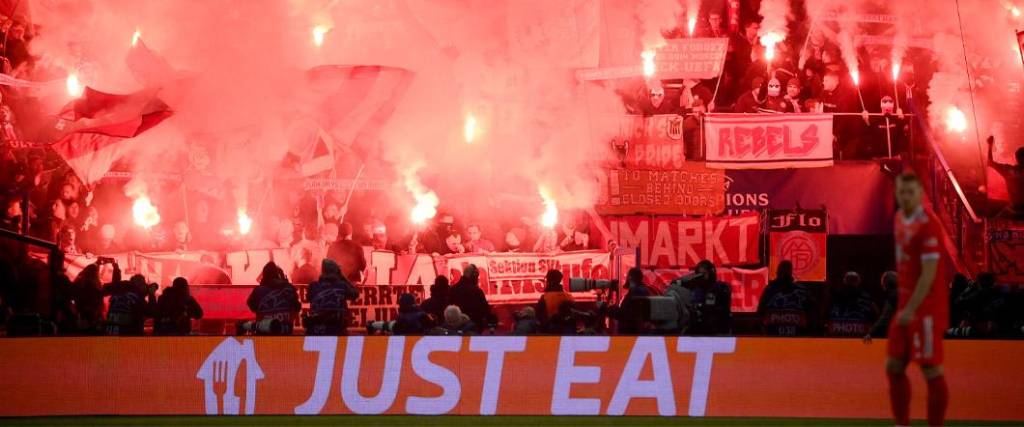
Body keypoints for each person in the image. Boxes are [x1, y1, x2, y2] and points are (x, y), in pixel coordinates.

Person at [881, 172, 949, 427]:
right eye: (902, 192)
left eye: (911, 192)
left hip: (926, 309)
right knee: (894, 365)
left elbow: (930, 274)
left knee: (931, 370)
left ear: (920, 194)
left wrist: (910, 309)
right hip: (905, 307)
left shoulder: (929, 225)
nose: (905, 196)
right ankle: (902, 424)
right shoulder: (899, 219)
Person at [757, 260, 818, 336]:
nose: (784, 273)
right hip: (773, 338)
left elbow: (813, 312)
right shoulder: (770, 290)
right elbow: (760, 312)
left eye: (786, 270)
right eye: (782, 270)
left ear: (790, 272)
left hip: (798, 338)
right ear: (777, 272)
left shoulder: (801, 291)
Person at [305, 259, 358, 335]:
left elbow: (308, 298)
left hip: (316, 331)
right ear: (336, 272)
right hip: (337, 330)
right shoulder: (342, 286)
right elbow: (355, 294)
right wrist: (342, 277)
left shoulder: (313, 286)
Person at [246, 262, 301, 335]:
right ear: (279, 275)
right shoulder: (289, 289)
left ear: (264, 275)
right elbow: (297, 308)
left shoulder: (258, 291)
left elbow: (252, 306)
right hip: (286, 335)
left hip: (265, 337)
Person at [825, 272, 880, 337]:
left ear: (844, 281)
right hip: (861, 338)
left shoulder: (834, 297)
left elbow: (825, 316)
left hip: (838, 337)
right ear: (858, 281)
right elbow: (877, 316)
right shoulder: (867, 298)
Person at [688, 260, 733, 335]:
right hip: (697, 330)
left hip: (716, 329)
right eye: (699, 274)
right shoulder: (694, 289)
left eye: (703, 274)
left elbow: (723, 310)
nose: (701, 277)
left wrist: (701, 306)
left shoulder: (721, 288)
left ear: (711, 273)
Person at [987, 136, 1024, 219]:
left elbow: (989, 162)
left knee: (993, 224)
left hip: (1014, 209)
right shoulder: (1009, 170)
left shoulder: (1009, 170)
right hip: (1015, 209)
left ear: (1016, 159)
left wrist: (989, 145)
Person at [449, 264, 493, 333]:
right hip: (474, 329)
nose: (477, 279)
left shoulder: (452, 290)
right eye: (477, 276)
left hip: (456, 329)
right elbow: (485, 311)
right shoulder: (476, 291)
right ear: (473, 275)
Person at [614, 267, 653, 335]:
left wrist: (609, 310)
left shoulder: (635, 292)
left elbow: (625, 313)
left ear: (630, 277)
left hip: (631, 333)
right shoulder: (644, 290)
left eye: (627, 276)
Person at [866, 271, 899, 340]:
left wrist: (870, 333)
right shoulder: (906, 293)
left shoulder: (891, 297)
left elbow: (885, 318)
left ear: (885, 284)